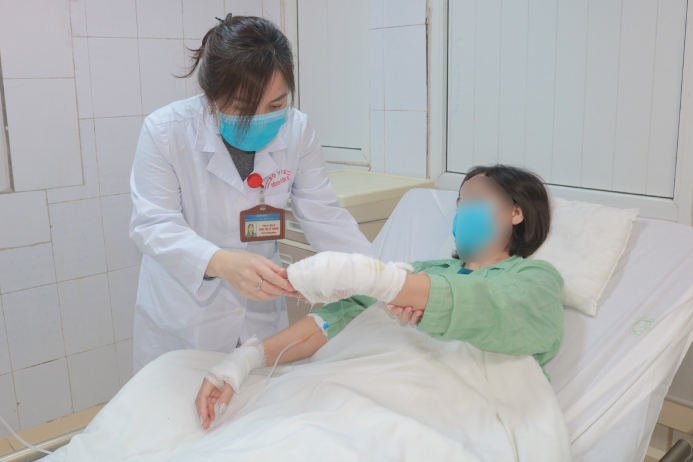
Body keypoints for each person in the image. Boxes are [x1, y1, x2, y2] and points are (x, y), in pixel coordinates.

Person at [195, 164, 565, 429]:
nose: (464, 210)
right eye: (461, 202)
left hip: (451, 412)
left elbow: (491, 306)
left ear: (516, 211)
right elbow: (331, 323)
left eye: (477, 199)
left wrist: (381, 282)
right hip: (372, 391)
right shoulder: (421, 271)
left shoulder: (535, 278)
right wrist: (245, 360)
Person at [129, 15, 375, 373]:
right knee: (180, 402)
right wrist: (222, 262)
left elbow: (325, 215)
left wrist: (377, 278)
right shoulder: (165, 132)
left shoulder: (297, 130)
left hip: (260, 319)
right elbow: (152, 225)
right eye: (244, 108)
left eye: (275, 105)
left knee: (258, 399)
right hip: (186, 318)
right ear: (210, 98)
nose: (261, 118)